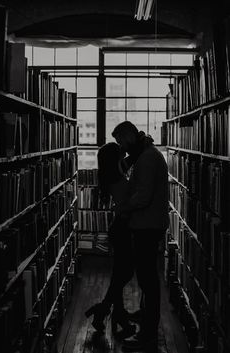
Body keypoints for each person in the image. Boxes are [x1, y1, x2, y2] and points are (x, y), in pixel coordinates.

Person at [112, 121, 169, 353]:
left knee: (147, 279)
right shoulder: (144, 154)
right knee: (147, 276)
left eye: (121, 143)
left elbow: (143, 196)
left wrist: (123, 207)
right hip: (149, 223)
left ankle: (148, 333)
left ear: (129, 137)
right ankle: (146, 317)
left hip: (147, 225)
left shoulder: (146, 159)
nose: (122, 148)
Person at [85, 142, 136, 338]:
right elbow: (130, 159)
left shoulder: (110, 172)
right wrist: (141, 144)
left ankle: (114, 313)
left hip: (120, 227)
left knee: (119, 273)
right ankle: (108, 310)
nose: (123, 151)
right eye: (119, 150)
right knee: (126, 271)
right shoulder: (115, 173)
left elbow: (127, 160)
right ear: (114, 157)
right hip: (122, 228)